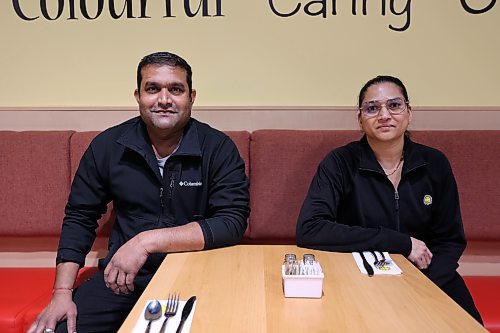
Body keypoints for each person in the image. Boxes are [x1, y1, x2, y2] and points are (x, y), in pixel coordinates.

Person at [28, 51, 250, 333]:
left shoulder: (218, 148)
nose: (164, 99)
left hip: (199, 277)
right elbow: (80, 217)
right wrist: (61, 292)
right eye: (153, 89)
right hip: (123, 280)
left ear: (192, 97)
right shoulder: (108, 146)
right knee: (61, 329)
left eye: (176, 89)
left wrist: (145, 242)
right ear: (138, 96)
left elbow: (231, 223)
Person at [296, 75, 482, 323]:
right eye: (372, 108)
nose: (384, 115)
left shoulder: (435, 163)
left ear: (409, 112)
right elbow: (310, 229)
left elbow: (449, 240)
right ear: (361, 119)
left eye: (394, 105)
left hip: (429, 277)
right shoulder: (340, 162)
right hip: (360, 278)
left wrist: (420, 286)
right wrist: (398, 242)